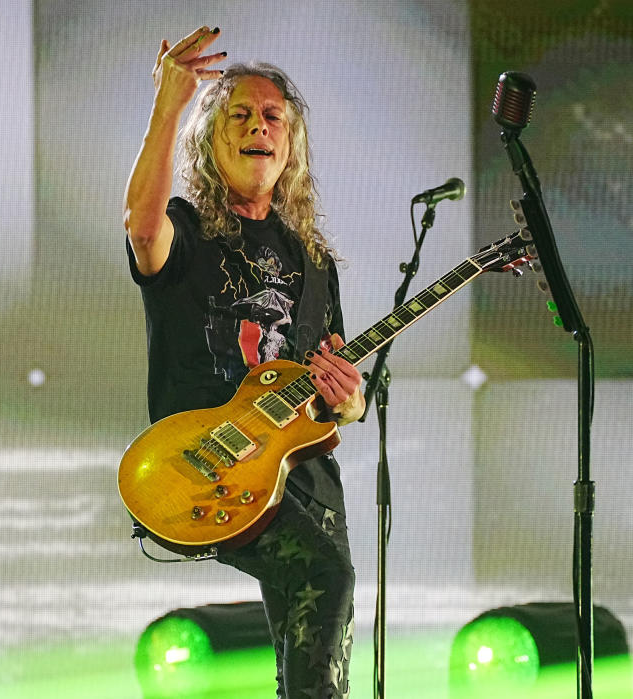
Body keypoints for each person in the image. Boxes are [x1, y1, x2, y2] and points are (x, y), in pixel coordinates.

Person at [123, 25, 363, 699]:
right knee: (329, 578)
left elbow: (341, 394)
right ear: (211, 140)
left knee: (313, 648)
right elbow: (141, 228)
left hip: (307, 480)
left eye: (273, 117)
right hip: (212, 469)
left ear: (289, 144)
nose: (259, 127)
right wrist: (170, 102)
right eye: (240, 115)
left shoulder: (314, 261)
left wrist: (350, 397)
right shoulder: (188, 232)